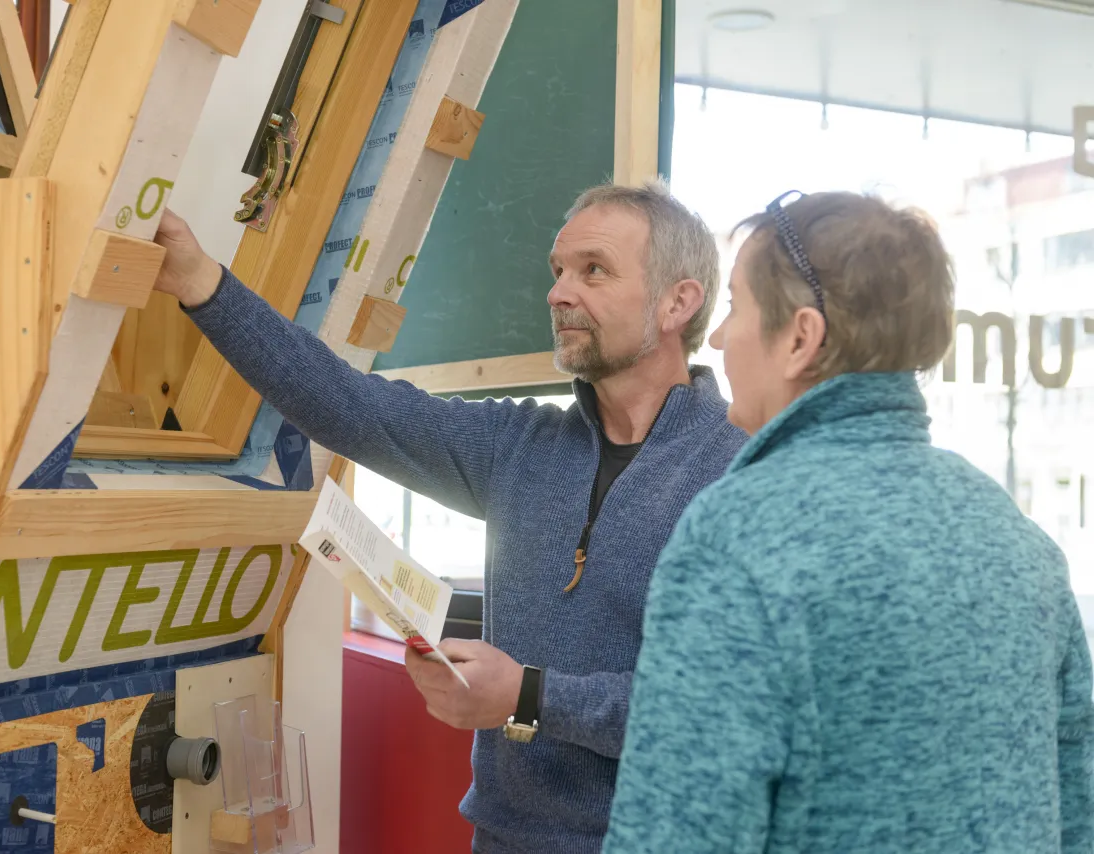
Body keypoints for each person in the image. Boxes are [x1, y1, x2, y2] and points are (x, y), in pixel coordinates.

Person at [152, 179, 748, 853]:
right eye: (557, 271)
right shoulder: (518, 445)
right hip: (502, 839)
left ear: (679, 301)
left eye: (594, 270)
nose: (558, 293)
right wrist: (202, 282)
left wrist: (531, 695)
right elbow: (348, 404)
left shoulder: (742, 476)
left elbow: (719, 712)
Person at [602, 190, 1094, 853]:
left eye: (737, 310)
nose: (716, 339)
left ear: (801, 338)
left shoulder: (737, 536)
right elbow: (1078, 810)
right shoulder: (1018, 538)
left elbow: (676, 836)